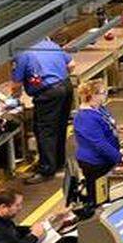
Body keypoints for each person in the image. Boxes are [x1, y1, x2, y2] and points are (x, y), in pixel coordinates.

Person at [11, 36, 75, 184]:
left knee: (44, 131)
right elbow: (72, 64)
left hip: (48, 93)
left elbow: (16, 84)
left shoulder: (22, 54)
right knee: (59, 126)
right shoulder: (49, 44)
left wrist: (15, 95)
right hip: (66, 86)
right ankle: (58, 162)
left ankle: (47, 169)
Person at [73, 79, 123, 212]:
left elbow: (104, 123)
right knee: (99, 198)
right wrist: (121, 158)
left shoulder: (98, 108)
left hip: (105, 159)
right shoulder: (86, 118)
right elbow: (99, 144)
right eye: (103, 93)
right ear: (93, 95)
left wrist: (116, 128)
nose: (106, 95)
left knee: (105, 192)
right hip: (95, 163)